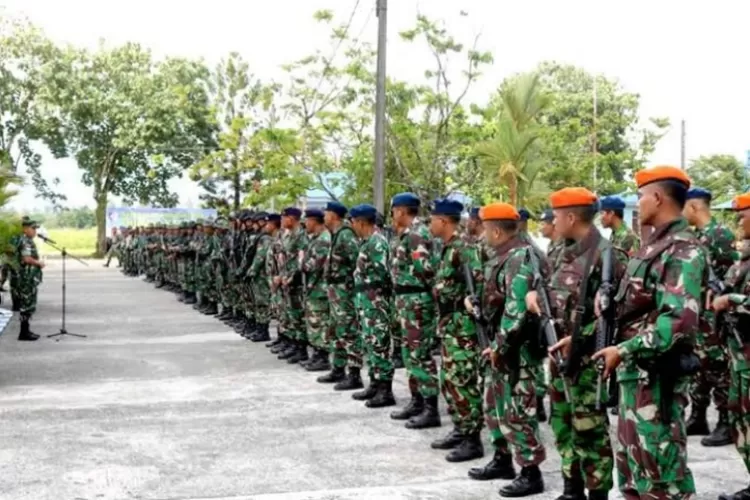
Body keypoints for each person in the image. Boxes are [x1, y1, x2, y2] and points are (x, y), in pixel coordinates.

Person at [593, 165, 705, 499]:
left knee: (660, 477)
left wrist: (623, 350)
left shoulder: (683, 249)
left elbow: (678, 323)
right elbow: (633, 306)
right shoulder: (652, 247)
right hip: (635, 380)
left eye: (641, 196)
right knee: (632, 472)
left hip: (658, 382)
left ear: (657, 198)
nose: (638, 203)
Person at [531, 187, 626, 500]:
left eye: (556, 216)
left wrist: (580, 338)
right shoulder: (560, 251)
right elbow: (553, 296)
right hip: (559, 359)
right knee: (563, 425)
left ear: (571, 217)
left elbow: (618, 316)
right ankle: (571, 489)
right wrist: (535, 302)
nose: (552, 222)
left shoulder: (608, 256)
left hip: (588, 363)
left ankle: (597, 493)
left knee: (591, 432)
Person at [469, 202, 547, 496]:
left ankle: (531, 472)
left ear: (497, 230)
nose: (483, 234)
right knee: (494, 405)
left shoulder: (519, 258)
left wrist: (499, 347)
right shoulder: (503, 256)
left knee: (518, 411)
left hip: (517, 350)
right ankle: (503, 459)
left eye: (486, 228)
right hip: (500, 347)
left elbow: (516, 311)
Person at [428, 198, 484, 462]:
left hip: (463, 327)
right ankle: (460, 429)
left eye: (432, 219)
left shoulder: (464, 247)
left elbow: (479, 286)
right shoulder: (448, 247)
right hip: (449, 324)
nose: (430, 224)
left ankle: (472, 440)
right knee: (449, 381)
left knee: (463, 382)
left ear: (443, 220)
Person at [683, 187, 738, 446]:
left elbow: (733, 276)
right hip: (700, 317)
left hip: (716, 318)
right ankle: (698, 416)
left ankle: (726, 422)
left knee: (718, 368)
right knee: (700, 368)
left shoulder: (720, 235)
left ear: (694, 207)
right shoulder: (699, 236)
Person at [389, 192, 441, 429]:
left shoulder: (416, 235)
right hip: (406, 300)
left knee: (420, 353)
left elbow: (427, 269)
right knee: (410, 352)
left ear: (401, 210)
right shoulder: (406, 235)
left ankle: (431, 407)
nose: (392, 215)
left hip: (416, 300)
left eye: (394, 210)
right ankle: (417, 400)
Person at [713, 192, 750, 500]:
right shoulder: (744, 258)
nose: (739, 220)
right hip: (739, 355)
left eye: (743, 214)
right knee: (741, 419)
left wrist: (733, 300)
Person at [350, 203, 396, 407]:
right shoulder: (366, 242)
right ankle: (375, 384)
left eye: (353, 222)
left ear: (361, 222)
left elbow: (384, 274)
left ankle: (385, 390)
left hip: (375, 303)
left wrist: (377, 298)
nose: (352, 226)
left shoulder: (377, 243)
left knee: (379, 345)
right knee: (370, 343)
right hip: (367, 303)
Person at [318, 201, 362, 389]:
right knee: (336, 331)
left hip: (345, 291)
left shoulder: (346, 236)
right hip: (335, 291)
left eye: (326, 213)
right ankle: (338, 368)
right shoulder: (335, 235)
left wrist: (353, 292)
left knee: (348, 332)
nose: (324, 216)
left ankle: (354, 374)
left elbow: (357, 265)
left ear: (334, 215)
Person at [300, 208, 332, 370]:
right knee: (314, 323)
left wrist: (301, 263)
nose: (306, 223)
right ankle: (317, 355)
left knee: (320, 324)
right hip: (314, 288)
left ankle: (322, 358)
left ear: (314, 221)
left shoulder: (323, 240)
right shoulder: (317, 239)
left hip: (320, 289)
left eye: (307, 220)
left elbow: (312, 266)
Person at [276, 207, 309, 363]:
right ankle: (293, 344)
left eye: (284, 218)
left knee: (298, 317)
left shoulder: (301, 236)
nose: (282, 221)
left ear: (292, 218)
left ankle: (301, 348)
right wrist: (282, 276)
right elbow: (283, 259)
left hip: (297, 283)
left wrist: (291, 277)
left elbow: (301, 261)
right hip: (287, 281)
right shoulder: (285, 235)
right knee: (290, 315)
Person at [15, 217, 45, 341]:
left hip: (29, 278)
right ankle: (24, 332)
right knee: (26, 306)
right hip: (27, 278)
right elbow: (26, 259)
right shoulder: (25, 241)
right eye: (33, 228)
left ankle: (26, 330)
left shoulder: (27, 240)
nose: (35, 231)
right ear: (25, 229)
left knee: (28, 305)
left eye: (35, 229)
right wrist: (38, 263)